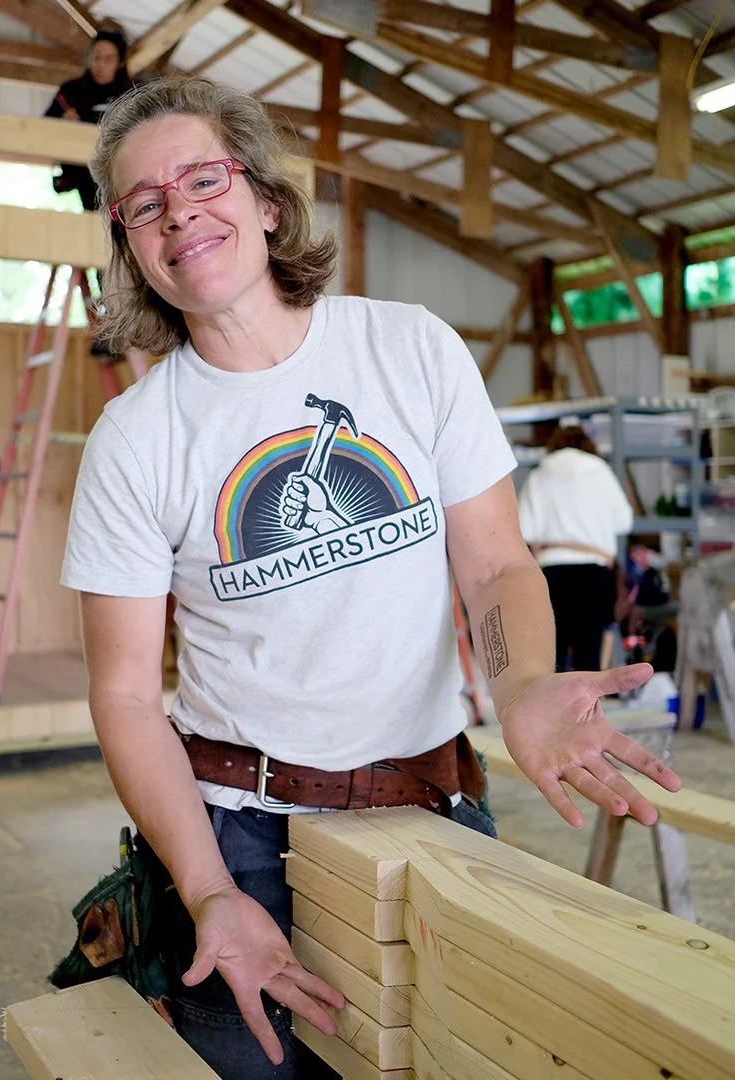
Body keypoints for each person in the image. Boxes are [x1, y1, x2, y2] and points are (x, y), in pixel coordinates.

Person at [60, 75, 681, 1080]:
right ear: (133, 246)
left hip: (432, 796)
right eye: (144, 203)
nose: (178, 211)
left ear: (267, 200)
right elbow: (126, 695)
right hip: (241, 832)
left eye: (203, 179)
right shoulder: (135, 441)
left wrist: (522, 685)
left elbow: (494, 563)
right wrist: (210, 890)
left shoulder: (411, 347)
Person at [517, 426, 634, 672]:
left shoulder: (539, 475)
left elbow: (524, 529)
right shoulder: (601, 472)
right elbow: (624, 521)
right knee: (589, 657)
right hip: (595, 571)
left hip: (552, 572)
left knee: (552, 657)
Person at [44, 28, 134, 211]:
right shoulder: (70, 92)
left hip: (120, 172)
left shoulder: (132, 94)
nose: (100, 64)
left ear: (120, 63)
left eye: (108, 59)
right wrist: (63, 122)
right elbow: (44, 127)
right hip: (82, 170)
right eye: (96, 57)